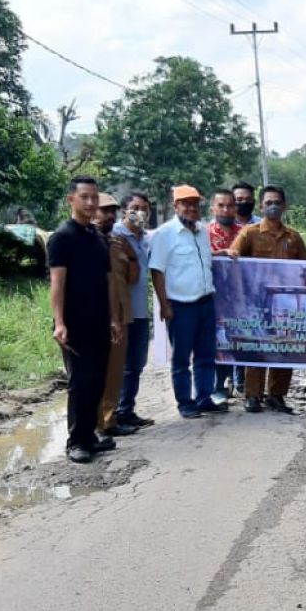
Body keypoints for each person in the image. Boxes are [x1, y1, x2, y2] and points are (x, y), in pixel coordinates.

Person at [47, 177, 119, 463]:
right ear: (71, 200)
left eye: (94, 198)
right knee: (80, 383)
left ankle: (90, 435)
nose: (90, 203)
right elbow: (57, 283)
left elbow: (109, 281)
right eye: (84, 197)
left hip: (100, 320)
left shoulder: (98, 237)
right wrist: (60, 322)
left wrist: (114, 317)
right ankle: (75, 441)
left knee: (98, 381)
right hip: (74, 324)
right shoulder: (62, 237)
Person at [228, 185, 306, 414]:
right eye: (268, 203)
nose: (273, 206)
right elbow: (233, 258)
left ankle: (277, 395)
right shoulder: (249, 233)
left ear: (284, 206)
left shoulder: (293, 237)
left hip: (286, 303)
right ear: (261, 206)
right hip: (257, 301)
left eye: (277, 202)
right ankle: (253, 395)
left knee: (285, 346)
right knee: (256, 345)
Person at [149, 184, 224, 419]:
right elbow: (157, 271)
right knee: (181, 359)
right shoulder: (164, 234)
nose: (192, 208)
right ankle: (185, 403)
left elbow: (205, 260)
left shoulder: (202, 231)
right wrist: (165, 305)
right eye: (186, 204)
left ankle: (204, 398)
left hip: (205, 301)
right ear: (176, 206)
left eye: (195, 203)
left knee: (205, 355)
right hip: (181, 305)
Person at [95, 193, 140, 437]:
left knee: (115, 370)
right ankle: (92, 424)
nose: (109, 216)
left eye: (113, 211)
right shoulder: (87, 241)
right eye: (105, 211)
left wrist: (129, 253)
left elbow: (133, 278)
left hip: (120, 315)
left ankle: (108, 421)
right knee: (94, 372)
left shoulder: (117, 241)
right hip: (95, 316)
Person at [113, 191, 155, 429]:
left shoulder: (145, 238)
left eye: (145, 209)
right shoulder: (116, 236)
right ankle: (115, 413)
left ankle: (127, 409)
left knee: (136, 364)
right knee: (120, 365)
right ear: (124, 210)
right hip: (121, 312)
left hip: (140, 312)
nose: (141, 212)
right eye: (136, 207)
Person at [208, 188, 243, 402]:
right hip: (210, 299)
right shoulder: (202, 233)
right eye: (221, 205)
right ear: (213, 207)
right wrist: (220, 254)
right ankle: (216, 387)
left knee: (238, 340)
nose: (226, 209)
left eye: (230, 205)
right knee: (215, 343)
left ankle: (239, 382)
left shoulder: (245, 232)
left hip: (238, 298)